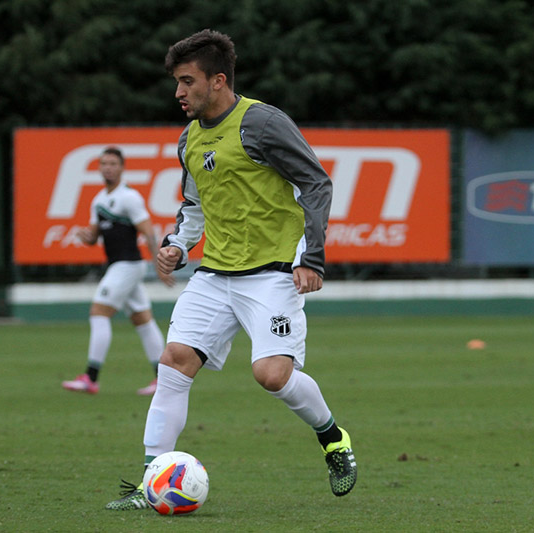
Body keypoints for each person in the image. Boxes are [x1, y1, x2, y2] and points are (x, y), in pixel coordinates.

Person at [105, 29, 356, 510]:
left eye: (187, 81)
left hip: (272, 273)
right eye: (177, 83)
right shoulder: (189, 139)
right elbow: (193, 205)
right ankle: (149, 481)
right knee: (174, 361)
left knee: (271, 374)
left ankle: (332, 438)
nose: (178, 93)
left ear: (218, 81)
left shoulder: (261, 124)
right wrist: (177, 245)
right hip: (215, 274)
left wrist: (312, 257)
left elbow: (316, 183)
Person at [62, 147, 174, 396]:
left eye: (113, 163)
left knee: (98, 312)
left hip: (127, 265)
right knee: (143, 321)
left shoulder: (129, 197)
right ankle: (163, 380)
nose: (107, 167)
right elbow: (94, 237)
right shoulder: (99, 200)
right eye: (103, 163)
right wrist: (86, 236)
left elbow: (147, 231)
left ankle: (91, 377)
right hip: (119, 266)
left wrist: (159, 265)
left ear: (122, 168)